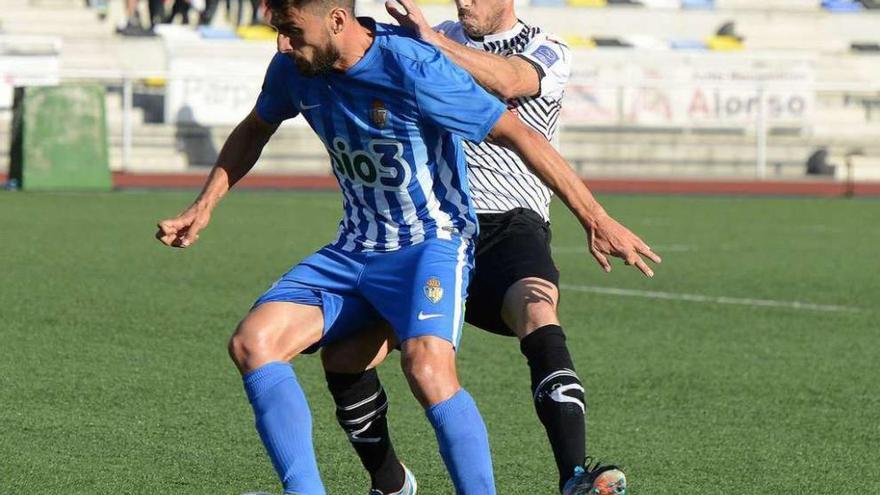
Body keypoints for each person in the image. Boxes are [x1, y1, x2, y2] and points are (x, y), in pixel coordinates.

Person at [156, 0, 657, 493]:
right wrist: (205, 204)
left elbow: (515, 131)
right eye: (278, 33)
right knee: (253, 343)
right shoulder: (293, 67)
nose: (284, 44)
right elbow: (255, 128)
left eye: (291, 30)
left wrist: (596, 217)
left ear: (336, 19)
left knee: (426, 365)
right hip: (354, 247)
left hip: (430, 243)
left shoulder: (411, 65)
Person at [318, 0, 660, 494]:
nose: (464, 2)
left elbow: (508, 82)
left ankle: (575, 476)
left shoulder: (547, 49)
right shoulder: (431, 34)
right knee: (347, 355)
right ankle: (391, 482)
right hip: (428, 228)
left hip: (509, 227)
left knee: (538, 311)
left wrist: (431, 43)